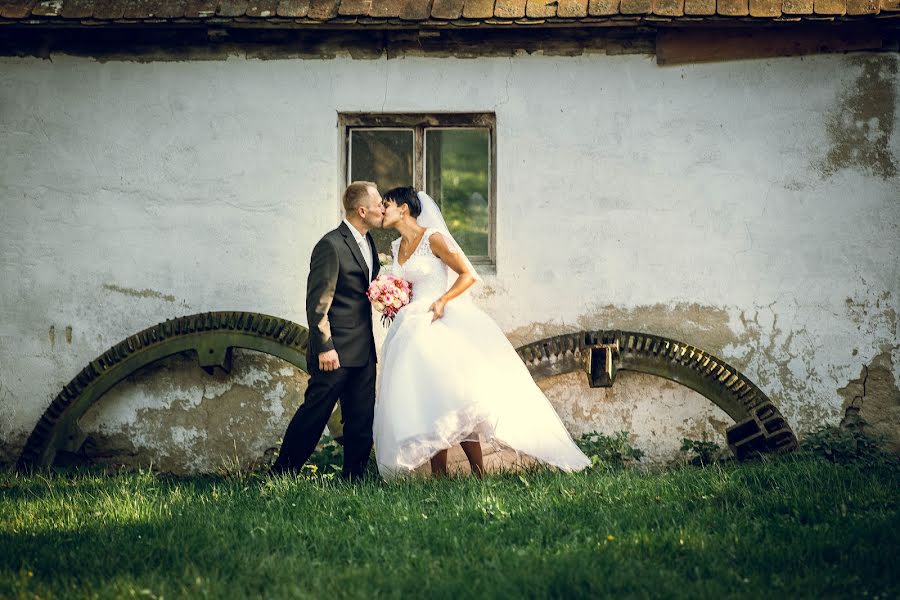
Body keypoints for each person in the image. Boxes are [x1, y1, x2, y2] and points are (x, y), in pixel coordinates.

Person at [373, 187, 591, 479]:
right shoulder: (396, 245)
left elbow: (468, 274)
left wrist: (442, 300)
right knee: (430, 400)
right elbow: (404, 284)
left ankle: (478, 473)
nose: (381, 210)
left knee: (456, 398)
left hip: (439, 321)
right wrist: (390, 297)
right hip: (411, 326)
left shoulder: (432, 239)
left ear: (403, 209)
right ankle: (439, 476)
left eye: (385, 204)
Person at [271, 181, 384, 479]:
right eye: (378, 204)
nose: (383, 209)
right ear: (362, 210)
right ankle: (282, 473)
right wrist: (324, 346)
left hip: (363, 350)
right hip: (334, 352)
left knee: (361, 418)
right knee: (314, 415)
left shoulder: (369, 243)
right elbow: (318, 303)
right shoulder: (331, 245)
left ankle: (354, 478)